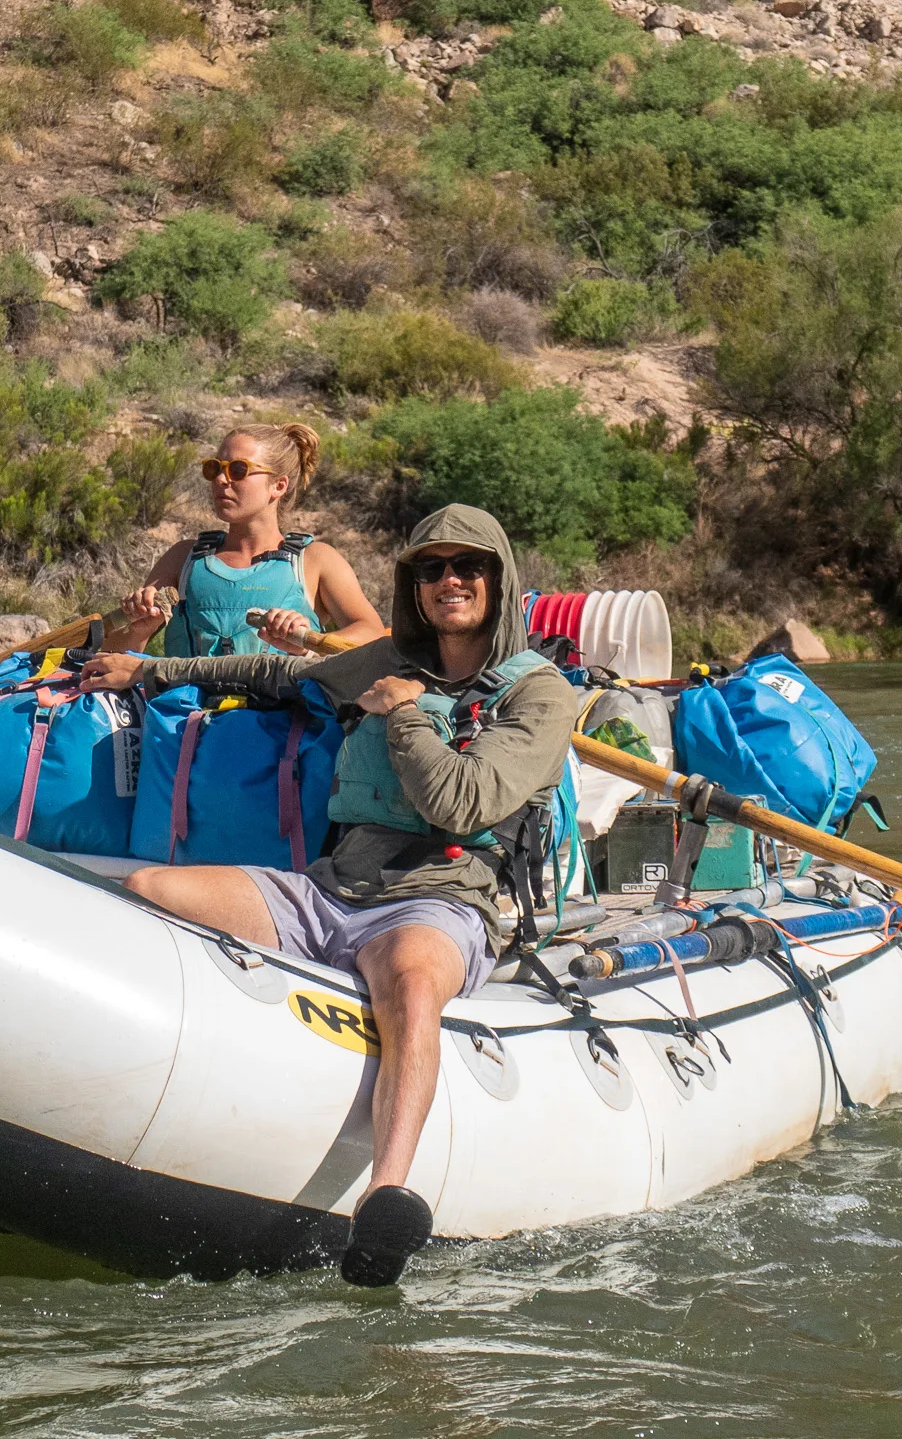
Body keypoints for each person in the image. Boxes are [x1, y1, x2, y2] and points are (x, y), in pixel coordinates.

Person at [77, 503, 580, 1287]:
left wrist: (406, 712)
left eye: (469, 567)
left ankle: (388, 1194)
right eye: (432, 569)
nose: (451, 581)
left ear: (499, 579)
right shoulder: (383, 657)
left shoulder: (541, 695)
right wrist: (151, 671)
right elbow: (277, 672)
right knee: (150, 888)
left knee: (412, 984)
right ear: (413, 584)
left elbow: (464, 804)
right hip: (335, 886)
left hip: (443, 897)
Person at [110, 423, 382, 658]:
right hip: (183, 716)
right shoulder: (183, 558)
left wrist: (308, 642)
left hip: (282, 717)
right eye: (214, 468)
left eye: (238, 470)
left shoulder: (315, 560)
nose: (220, 479)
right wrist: (139, 628)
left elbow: (372, 633)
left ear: (279, 485)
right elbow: (112, 657)